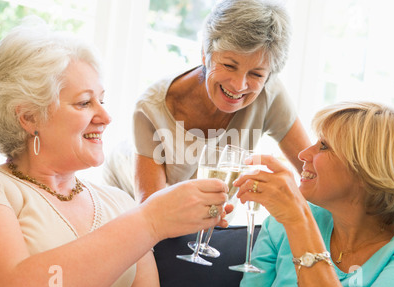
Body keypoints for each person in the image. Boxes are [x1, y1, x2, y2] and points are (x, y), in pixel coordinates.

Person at [0, 23, 230, 287]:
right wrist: (150, 221)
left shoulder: (119, 203)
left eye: (102, 100)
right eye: (84, 103)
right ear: (28, 117)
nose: (106, 116)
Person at [233, 102, 394, 287]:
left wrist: (298, 221)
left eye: (324, 146)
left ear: (367, 171)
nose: (303, 154)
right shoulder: (280, 226)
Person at [129, 0, 311, 203]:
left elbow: (313, 174)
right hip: (136, 207)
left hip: (210, 224)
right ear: (205, 55)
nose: (239, 85)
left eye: (256, 74)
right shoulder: (151, 109)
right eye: (229, 65)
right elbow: (150, 215)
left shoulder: (270, 95)